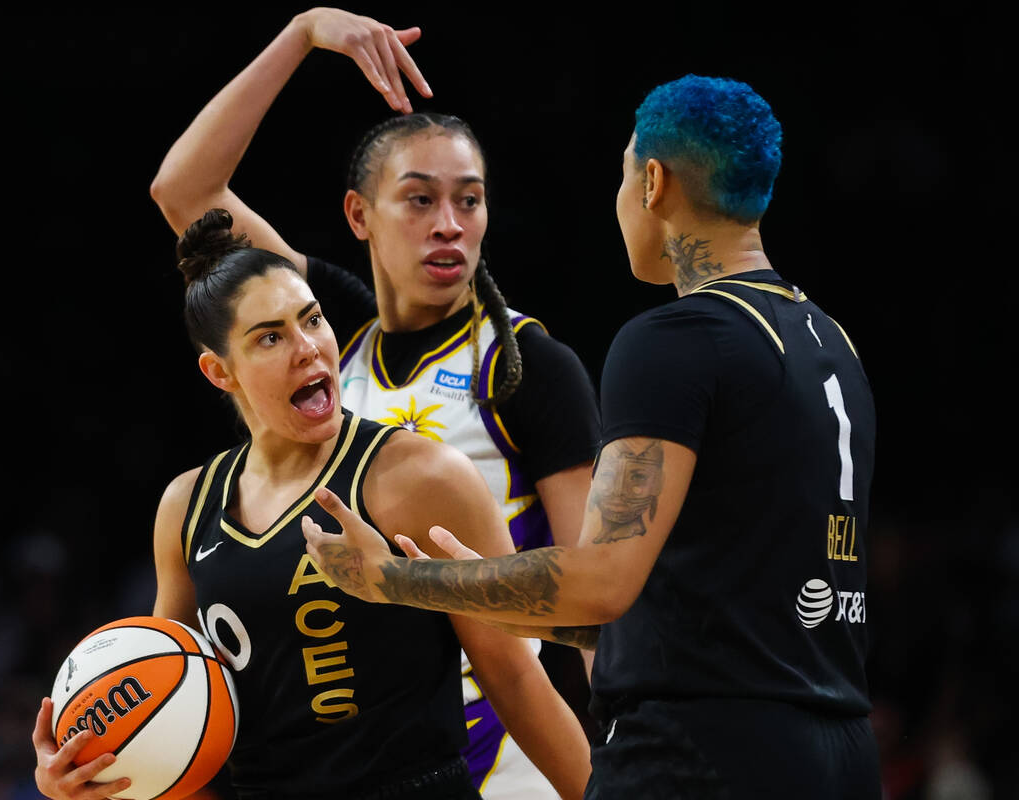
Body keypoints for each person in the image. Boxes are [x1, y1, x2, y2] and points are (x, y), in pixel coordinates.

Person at [302, 75, 882, 799]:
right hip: (840, 751)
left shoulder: (673, 339)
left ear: (652, 182)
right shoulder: (831, 340)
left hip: (701, 756)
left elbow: (600, 583)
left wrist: (390, 579)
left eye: (621, 176)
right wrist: (480, 590)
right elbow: (697, 614)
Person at [148, 8, 601, 796]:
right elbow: (185, 190)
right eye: (420, 201)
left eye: (470, 201)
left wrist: (631, 743)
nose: (450, 227)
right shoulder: (335, 329)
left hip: (507, 741)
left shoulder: (528, 366)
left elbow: (598, 593)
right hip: (351, 725)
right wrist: (303, 33)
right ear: (360, 215)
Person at [31, 210, 590, 800]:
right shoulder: (187, 507)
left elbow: (518, 678)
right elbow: (177, 726)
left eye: (312, 319)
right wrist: (94, 774)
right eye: (270, 336)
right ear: (220, 372)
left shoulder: (419, 476)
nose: (308, 349)